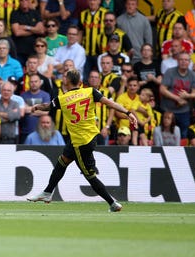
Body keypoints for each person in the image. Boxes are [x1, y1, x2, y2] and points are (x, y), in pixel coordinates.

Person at [28, 69, 138, 212]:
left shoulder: (62, 98)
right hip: (89, 137)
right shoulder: (90, 92)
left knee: (89, 175)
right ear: (80, 81)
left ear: (66, 81)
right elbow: (110, 103)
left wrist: (36, 107)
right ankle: (48, 192)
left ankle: (112, 203)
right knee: (63, 161)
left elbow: (46, 107)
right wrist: (128, 113)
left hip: (81, 142)